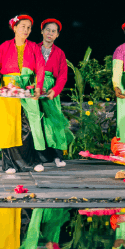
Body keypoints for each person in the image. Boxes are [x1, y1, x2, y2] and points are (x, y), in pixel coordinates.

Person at [0, 15, 46, 174]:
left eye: (28, 27)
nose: (26, 30)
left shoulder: (33, 47)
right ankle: (10, 164)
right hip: (9, 89)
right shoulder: (4, 46)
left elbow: (40, 68)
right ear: (14, 28)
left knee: (31, 124)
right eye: (22, 26)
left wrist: (38, 87)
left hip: (27, 88)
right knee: (9, 126)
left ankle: (33, 161)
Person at [35, 18, 72, 168]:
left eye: (53, 31)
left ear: (57, 35)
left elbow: (63, 75)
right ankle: (39, 158)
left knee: (54, 121)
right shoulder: (33, 48)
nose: (50, 33)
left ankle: (58, 156)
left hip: (51, 90)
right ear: (42, 31)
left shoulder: (60, 53)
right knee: (37, 121)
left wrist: (55, 91)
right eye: (47, 30)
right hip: (34, 89)